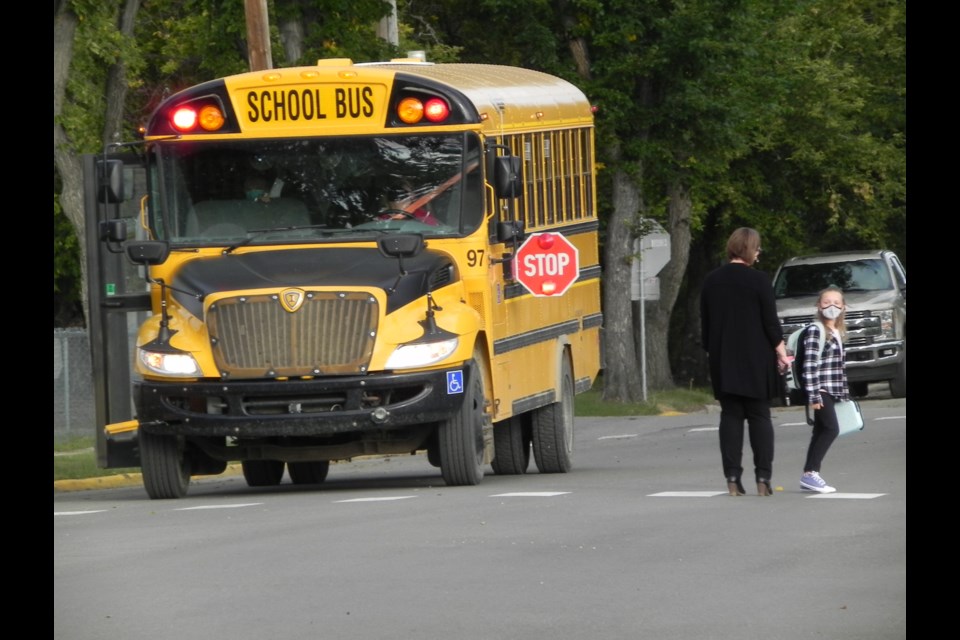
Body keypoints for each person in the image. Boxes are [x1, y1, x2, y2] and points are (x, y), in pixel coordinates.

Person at [700, 227, 791, 497]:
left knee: (730, 416)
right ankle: (763, 478)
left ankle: (731, 477)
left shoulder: (711, 280)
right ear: (749, 249)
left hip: (723, 358)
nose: (759, 253)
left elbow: (705, 323)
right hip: (756, 358)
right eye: (757, 248)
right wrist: (782, 352)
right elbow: (770, 323)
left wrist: (712, 350)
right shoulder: (759, 280)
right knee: (759, 416)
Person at [798, 286, 850, 494]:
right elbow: (809, 365)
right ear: (819, 306)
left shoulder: (837, 331)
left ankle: (810, 474)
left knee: (820, 430)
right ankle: (811, 473)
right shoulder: (816, 330)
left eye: (837, 303)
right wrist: (813, 394)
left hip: (831, 388)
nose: (832, 307)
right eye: (827, 302)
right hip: (821, 388)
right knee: (831, 429)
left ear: (843, 307)